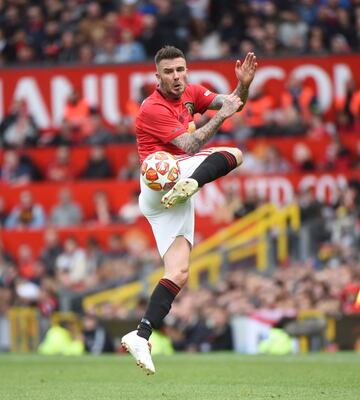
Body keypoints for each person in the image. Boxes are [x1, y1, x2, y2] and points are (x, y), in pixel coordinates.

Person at [121, 45, 257, 375]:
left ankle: (141, 335)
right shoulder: (152, 108)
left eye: (180, 69)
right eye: (169, 72)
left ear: (186, 70)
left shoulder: (192, 92)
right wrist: (221, 118)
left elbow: (231, 104)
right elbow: (191, 144)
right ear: (158, 77)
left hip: (171, 194)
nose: (176, 76)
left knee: (179, 272)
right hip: (159, 178)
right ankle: (193, 184)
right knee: (234, 154)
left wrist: (244, 86)